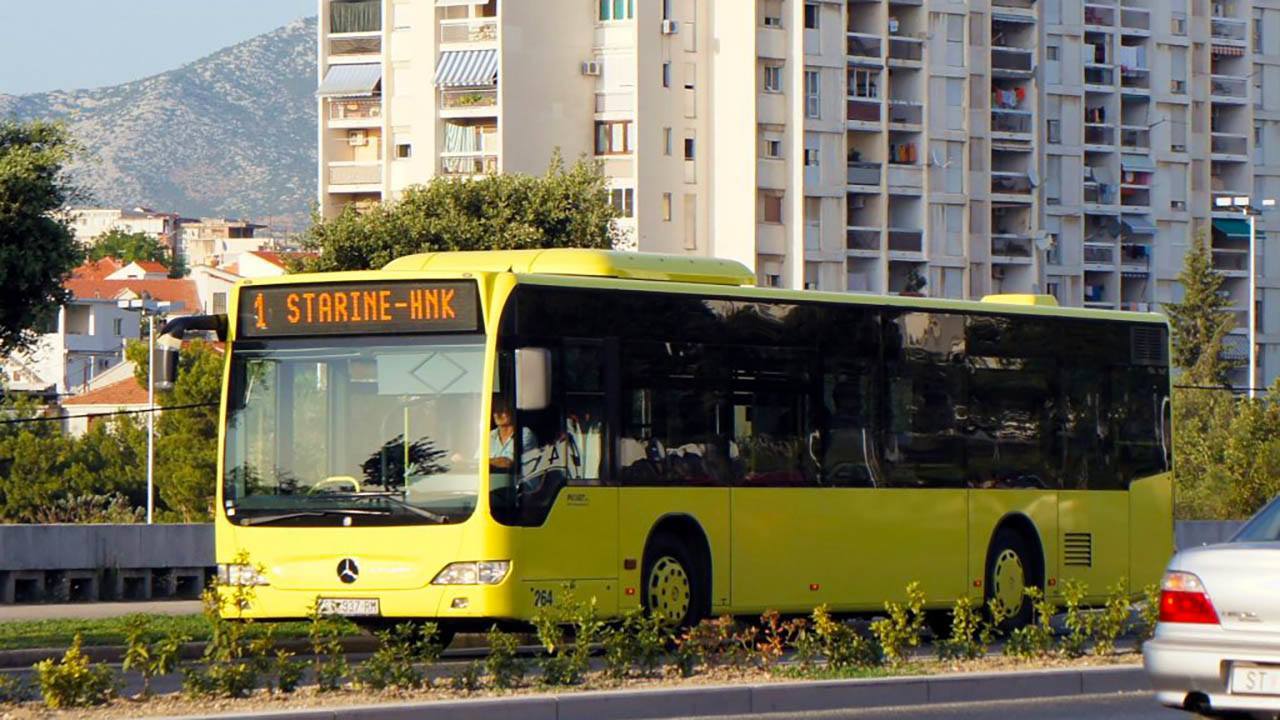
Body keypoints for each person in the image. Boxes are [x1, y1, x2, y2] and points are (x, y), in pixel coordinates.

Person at [489, 396, 536, 471]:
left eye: (501, 411)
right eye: (495, 411)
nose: (497, 415)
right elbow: (476, 461)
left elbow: (508, 463)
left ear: (512, 413)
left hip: (518, 478)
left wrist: (485, 461)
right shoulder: (489, 435)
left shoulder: (524, 433)